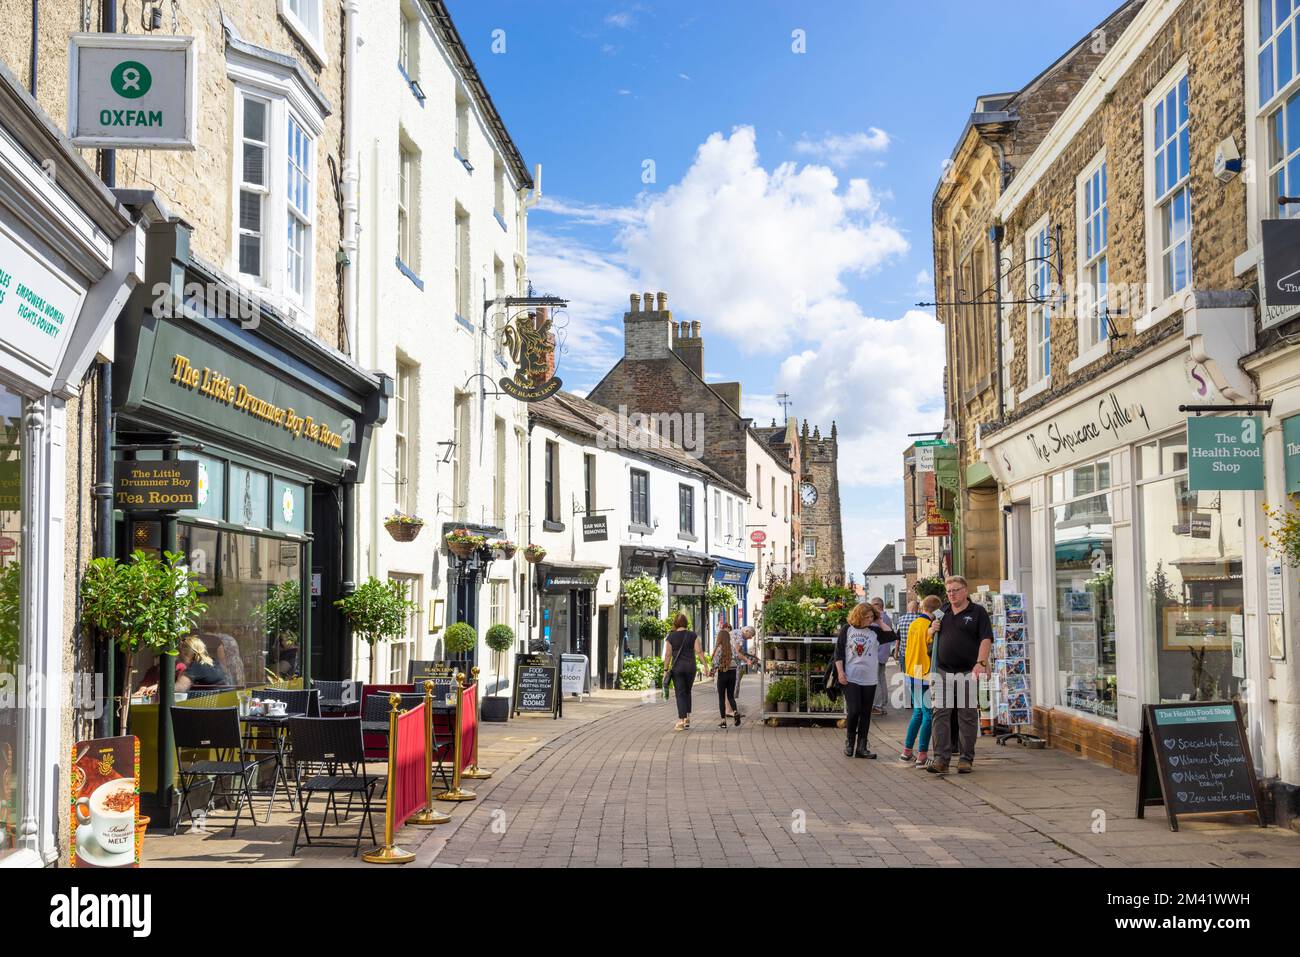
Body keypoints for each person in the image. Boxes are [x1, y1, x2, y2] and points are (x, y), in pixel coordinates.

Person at [926, 576, 993, 775]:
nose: (952, 594)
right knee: (940, 714)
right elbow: (929, 631)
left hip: (967, 672)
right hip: (943, 670)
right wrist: (931, 629)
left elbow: (986, 638)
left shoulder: (977, 612)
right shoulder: (942, 611)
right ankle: (940, 759)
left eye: (955, 590)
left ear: (965, 590)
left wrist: (981, 662)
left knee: (967, 715)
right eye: (949, 591)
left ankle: (965, 759)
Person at [834, 602, 882, 758]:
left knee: (866, 713)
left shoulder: (875, 631)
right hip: (851, 677)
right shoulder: (847, 629)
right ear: (859, 616)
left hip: (870, 678)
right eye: (867, 617)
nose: (870, 620)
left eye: (871, 617)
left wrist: (879, 620)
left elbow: (893, 635)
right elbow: (839, 653)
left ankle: (862, 747)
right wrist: (840, 673)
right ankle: (849, 742)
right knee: (854, 710)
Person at [899, 595, 941, 767]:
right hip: (924, 673)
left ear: (923, 607)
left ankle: (907, 751)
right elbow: (931, 646)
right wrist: (932, 631)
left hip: (912, 672)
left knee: (917, 713)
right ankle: (922, 755)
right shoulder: (929, 626)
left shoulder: (914, 624)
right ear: (936, 611)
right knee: (928, 716)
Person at [662, 613, 706, 731]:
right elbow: (699, 651)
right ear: (686, 623)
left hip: (678, 668)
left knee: (680, 693)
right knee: (687, 691)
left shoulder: (671, 636)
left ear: (675, 623)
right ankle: (687, 718)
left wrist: (665, 670)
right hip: (691, 668)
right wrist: (705, 666)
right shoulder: (693, 635)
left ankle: (681, 720)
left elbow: (667, 655)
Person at [712, 624, 745, 728]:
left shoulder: (718, 649)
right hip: (733, 672)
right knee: (730, 696)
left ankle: (723, 722)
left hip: (722, 673)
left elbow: (715, 664)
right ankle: (735, 711)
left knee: (722, 698)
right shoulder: (732, 648)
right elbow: (736, 657)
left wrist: (711, 672)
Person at [870, 598, 897, 716]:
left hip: (877, 652)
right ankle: (883, 702)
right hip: (884, 652)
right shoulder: (887, 618)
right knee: (881, 678)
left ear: (876, 605)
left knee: (876, 680)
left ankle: (878, 705)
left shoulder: (877, 619)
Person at [894, 599, 923, 674]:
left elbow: (898, 638)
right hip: (918, 655)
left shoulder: (900, 619)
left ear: (908, 608)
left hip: (904, 654)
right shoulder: (921, 619)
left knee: (906, 675)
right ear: (917, 608)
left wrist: (896, 652)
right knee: (917, 676)